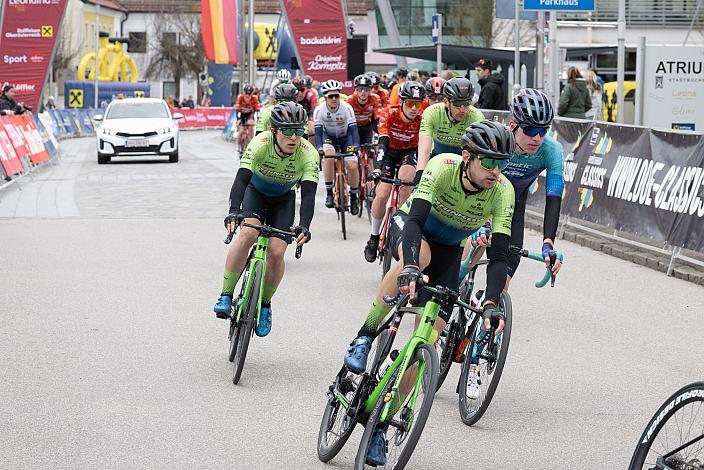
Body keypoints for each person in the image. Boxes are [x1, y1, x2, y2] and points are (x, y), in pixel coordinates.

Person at [342, 121, 516, 466]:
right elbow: (415, 219)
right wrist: (408, 265)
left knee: (427, 341)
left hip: (450, 250)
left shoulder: (502, 191)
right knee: (419, 258)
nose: (496, 171)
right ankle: (364, 336)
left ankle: (381, 424)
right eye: (489, 163)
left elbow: (498, 255)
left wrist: (493, 302)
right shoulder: (442, 167)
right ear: (467, 157)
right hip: (410, 230)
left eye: (503, 164)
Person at [458, 88, 563, 399]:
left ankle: (474, 363)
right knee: (467, 259)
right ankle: (448, 300)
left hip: (512, 206)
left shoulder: (551, 151)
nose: (537, 137)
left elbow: (554, 198)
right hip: (478, 201)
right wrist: (479, 226)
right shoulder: (496, 140)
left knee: (502, 277)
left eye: (544, 130)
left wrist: (548, 243)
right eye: (531, 129)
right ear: (514, 124)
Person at [213, 102, 318, 335]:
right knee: (248, 234)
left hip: (283, 199)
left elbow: (309, 194)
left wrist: (305, 226)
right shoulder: (260, 144)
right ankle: (226, 294)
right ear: (274, 131)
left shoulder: (309, 153)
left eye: (299, 131)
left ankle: (265, 305)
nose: (294, 137)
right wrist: (233, 210)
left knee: (277, 252)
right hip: (255, 192)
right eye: (288, 131)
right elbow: (241, 180)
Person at [363, 81, 425, 262]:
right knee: (382, 194)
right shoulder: (389, 113)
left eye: (418, 104)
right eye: (411, 104)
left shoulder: (422, 119)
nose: (415, 109)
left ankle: (400, 227)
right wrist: (377, 169)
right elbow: (382, 144)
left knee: (406, 181)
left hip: (409, 153)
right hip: (389, 152)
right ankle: (374, 238)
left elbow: (425, 147)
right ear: (402, 102)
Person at [414, 77, 485, 184]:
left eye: (466, 103)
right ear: (446, 102)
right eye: (457, 104)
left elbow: (478, 153)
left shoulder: (476, 116)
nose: (462, 109)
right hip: (436, 156)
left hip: (461, 158)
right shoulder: (432, 112)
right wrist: (420, 174)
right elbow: (424, 149)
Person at [314, 79, 361, 214]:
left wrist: (356, 146)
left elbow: (353, 130)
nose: (334, 99)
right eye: (331, 96)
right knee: (328, 158)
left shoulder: (347, 108)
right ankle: (329, 193)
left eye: (337, 95)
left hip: (347, 138)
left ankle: (353, 196)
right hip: (329, 137)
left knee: (352, 165)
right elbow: (317, 133)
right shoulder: (319, 110)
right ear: (325, 97)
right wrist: (319, 148)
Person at [347, 74, 381, 149]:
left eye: (366, 89)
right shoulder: (349, 100)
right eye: (360, 89)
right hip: (353, 128)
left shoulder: (375, 98)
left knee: (370, 153)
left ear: (370, 90)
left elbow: (377, 119)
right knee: (353, 152)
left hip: (367, 127)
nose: (363, 92)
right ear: (355, 90)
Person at [292, 77, 318, 145]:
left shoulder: (311, 95)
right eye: (297, 90)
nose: (300, 93)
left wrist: (311, 123)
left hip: (309, 118)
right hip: (296, 120)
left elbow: (315, 113)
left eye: (302, 90)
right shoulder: (291, 96)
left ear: (306, 89)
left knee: (312, 128)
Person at [235, 84, 261, 153]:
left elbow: (258, 110)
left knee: (251, 128)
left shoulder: (255, 98)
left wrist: (258, 118)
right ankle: (238, 146)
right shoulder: (240, 97)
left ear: (252, 93)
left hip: (250, 115)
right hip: (242, 115)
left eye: (249, 93)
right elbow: (237, 110)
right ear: (243, 92)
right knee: (241, 131)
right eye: (246, 93)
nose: (247, 95)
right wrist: (238, 119)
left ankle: (249, 144)